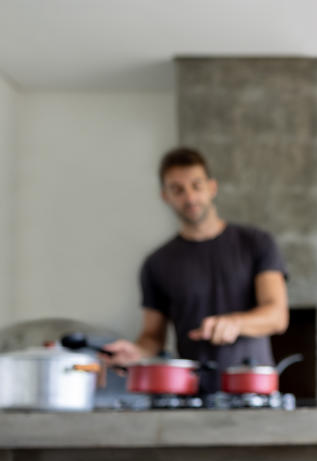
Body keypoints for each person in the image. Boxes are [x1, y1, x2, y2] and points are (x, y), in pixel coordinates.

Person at [103, 147, 289, 388]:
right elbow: (152, 337)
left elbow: (277, 315)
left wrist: (235, 323)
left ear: (212, 187)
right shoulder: (156, 263)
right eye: (177, 190)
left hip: (253, 389)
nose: (189, 198)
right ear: (165, 196)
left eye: (196, 185)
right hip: (190, 392)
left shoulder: (257, 243)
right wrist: (136, 352)